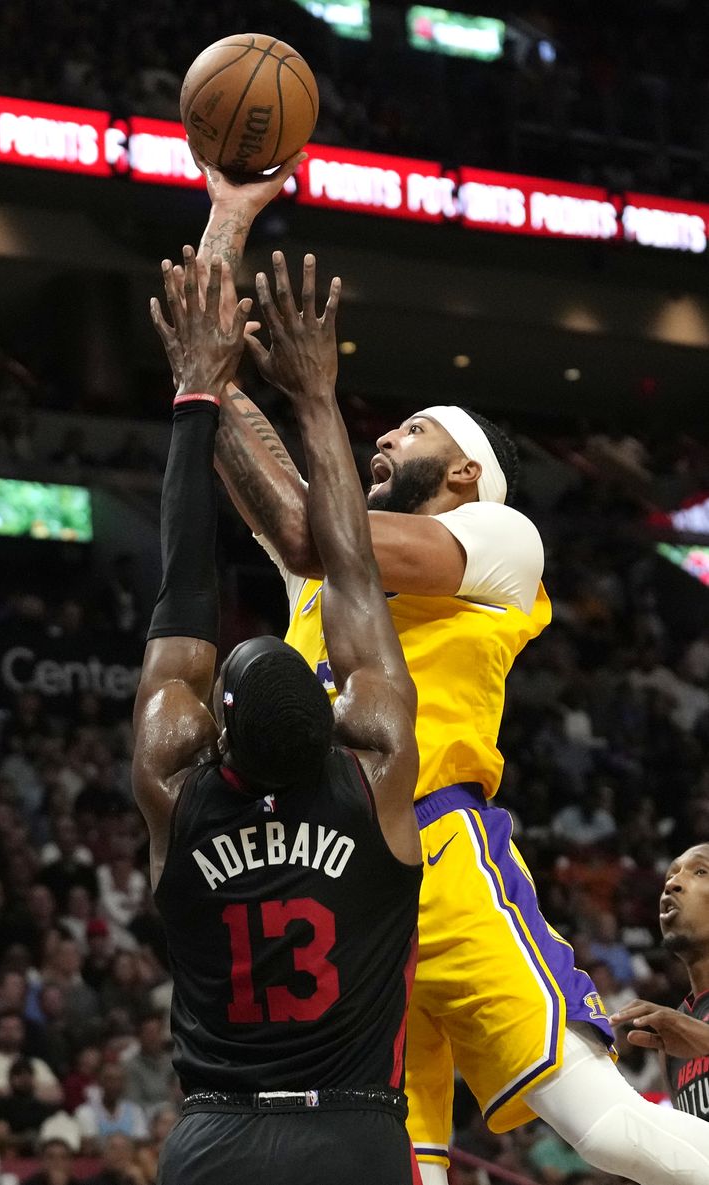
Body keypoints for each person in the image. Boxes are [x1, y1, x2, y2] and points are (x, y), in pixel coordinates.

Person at [153, 155, 709, 1185]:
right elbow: (209, 381)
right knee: (396, 1164)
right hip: (327, 860)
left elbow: (311, 530)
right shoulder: (327, 562)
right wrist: (227, 215)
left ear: (461, 469)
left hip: (438, 848)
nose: (380, 435)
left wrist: (291, 406)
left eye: (407, 431)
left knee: (604, 1127)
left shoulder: (502, 538)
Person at [138, 246, 421, 1185]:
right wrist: (314, 395)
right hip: (354, 1137)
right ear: (338, 715)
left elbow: (182, 593)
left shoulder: (178, 782)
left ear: (214, 725)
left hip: (218, 1136)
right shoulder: (376, 765)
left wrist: (196, 396)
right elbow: (350, 573)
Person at [611, 842, 709, 1119]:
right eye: (670, 876)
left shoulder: (678, 1025)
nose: (672, 884)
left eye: (700, 871)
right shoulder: (674, 1033)